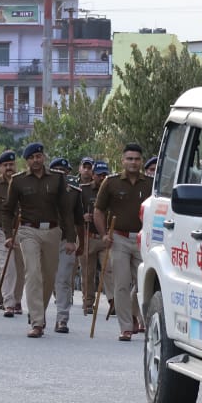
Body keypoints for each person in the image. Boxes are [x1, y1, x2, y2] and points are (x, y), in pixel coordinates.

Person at [1, 142, 77, 338]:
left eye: (39, 156)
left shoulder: (57, 178)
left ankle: (38, 312)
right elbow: (7, 211)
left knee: (49, 277)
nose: (36, 160)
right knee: (33, 273)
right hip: (28, 231)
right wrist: (8, 235)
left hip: (52, 231)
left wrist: (71, 238)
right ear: (26, 161)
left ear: (43, 157)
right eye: (32, 157)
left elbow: (66, 211)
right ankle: (37, 321)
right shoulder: (18, 181)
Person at [94, 143, 153, 341]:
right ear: (122, 161)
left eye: (136, 159)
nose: (133, 162)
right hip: (118, 238)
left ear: (141, 161)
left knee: (143, 283)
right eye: (129, 159)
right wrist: (104, 234)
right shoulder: (110, 183)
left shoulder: (151, 184)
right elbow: (98, 210)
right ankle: (126, 327)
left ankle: (140, 318)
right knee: (121, 284)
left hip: (144, 239)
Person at [0, 150, 25, 317]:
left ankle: (15, 299)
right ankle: (9, 303)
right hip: (0, 231)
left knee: (20, 268)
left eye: (11, 164)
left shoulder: (23, 182)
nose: (9, 167)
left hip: (21, 230)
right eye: (5, 165)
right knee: (8, 268)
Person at [49, 157, 84, 334]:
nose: (61, 174)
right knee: (43, 279)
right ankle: (37, 314)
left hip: (66, 240)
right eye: (57, 170)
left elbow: (79, 219)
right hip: (45, 238)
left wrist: (81, 242)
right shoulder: (43, 187)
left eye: (64, 171)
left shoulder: (74, 191)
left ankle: (62, 318)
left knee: (63, 279)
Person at [80, 160, 112, 315]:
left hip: (106, 237)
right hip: (89, 236)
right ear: (93, 175)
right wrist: (82, 216)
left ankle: (113, 301)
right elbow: (73, 210)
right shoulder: (83, 190)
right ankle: (88, 302)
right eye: (99, 175)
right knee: (88, 272)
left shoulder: (112, 190)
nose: (102, 177)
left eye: (105, 174)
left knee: (109, 269)